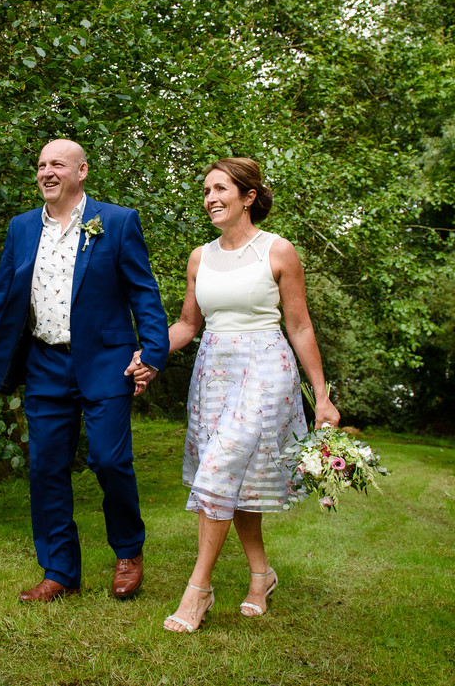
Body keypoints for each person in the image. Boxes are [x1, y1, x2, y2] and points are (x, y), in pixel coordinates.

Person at [131, 157, 339, 632]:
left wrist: (322, 396)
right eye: (206, 190)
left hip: (265, 370)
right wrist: (149, 355)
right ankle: (261, 575)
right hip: (213, 375)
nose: (210, 198)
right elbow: (187, 324)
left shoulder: (278, 251)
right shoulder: (200, 256)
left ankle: (197, 591)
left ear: (248, 197)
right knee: (237, 484)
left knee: (220, 468)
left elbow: (300, 325)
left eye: (221, 189)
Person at [0, 138, 170, 603]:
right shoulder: (21, 228)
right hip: (44, 364)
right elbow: (1, 298)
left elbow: (144, 293)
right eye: (40, 164)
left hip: (106, 363)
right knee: (45, 468)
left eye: (57, 163)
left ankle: (128, 551)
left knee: (108, 459)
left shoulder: (116, 222)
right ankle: (59, 570)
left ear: (82, 171)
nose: (46, 172)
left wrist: (153, 353)